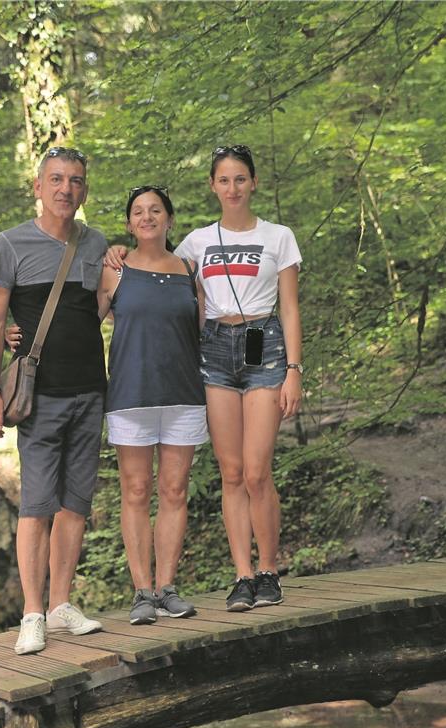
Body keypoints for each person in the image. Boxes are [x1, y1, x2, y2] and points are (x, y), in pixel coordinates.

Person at [108, 144, 303, 612]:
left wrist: (295, 369)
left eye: (241, 179)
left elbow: (291, 308)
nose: (232, 187)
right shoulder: (195, 244)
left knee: (257, 471)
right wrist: (116, 250)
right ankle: (241, 574)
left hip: (264, 344)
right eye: (224, 180)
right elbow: (157, 273)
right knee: (231, 472)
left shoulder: (279, 237)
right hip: (214, 350)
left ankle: (269, 569)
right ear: (212, 186)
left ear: (253, 183)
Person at [0, 146, 106, 655]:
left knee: (76, 503)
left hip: (91, 391)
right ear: (37, 186)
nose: (65, 189)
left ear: (84, 190)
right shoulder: (10, 244)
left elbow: (102, 305)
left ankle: (61, 605)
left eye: (75, 181)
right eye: (55, 179)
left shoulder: (95, 244)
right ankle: (32, 614)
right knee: (36, 506)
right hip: (38, 397)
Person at [99, 186, 205, 624]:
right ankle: (142, 592)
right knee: (137, 490)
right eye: (138, 212)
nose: (147, 217)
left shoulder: (189, 268)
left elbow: (204, 329)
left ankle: (167, 588)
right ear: (129, 223)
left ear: (169, 219)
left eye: (155, 210)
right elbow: (83, 321)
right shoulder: (116, 270)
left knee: (175, 491)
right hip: (130, 393)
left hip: (183, 393)